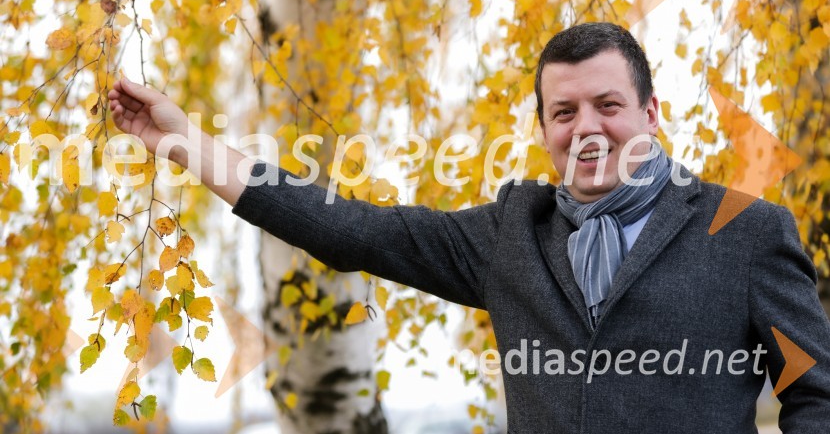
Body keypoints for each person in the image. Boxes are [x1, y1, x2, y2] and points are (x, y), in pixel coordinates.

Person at [108, 22, 830, 432]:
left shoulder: (744, 231)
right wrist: (183, 141)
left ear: (651, 113)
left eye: (608, 104)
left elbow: (815, 392)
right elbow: (349, 229)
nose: (588, 128)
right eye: (564, 111)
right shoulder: (512, 231)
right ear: (545, 127)